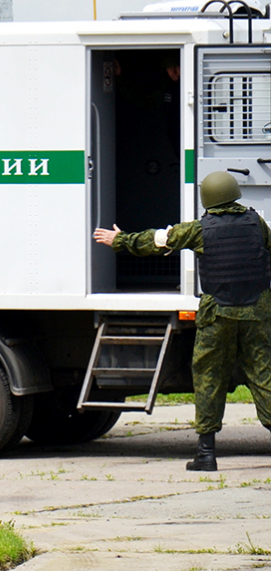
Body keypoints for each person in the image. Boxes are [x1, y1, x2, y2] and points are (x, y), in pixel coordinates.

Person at [94, 171, 271, 471]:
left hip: (218, 316)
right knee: (264, 377)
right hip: (257, 313)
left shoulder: (201, 230)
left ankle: (206, 454)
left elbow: (158, 240)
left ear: (209, 200)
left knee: (208, 379)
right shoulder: (258, 224)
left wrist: (120, 240)